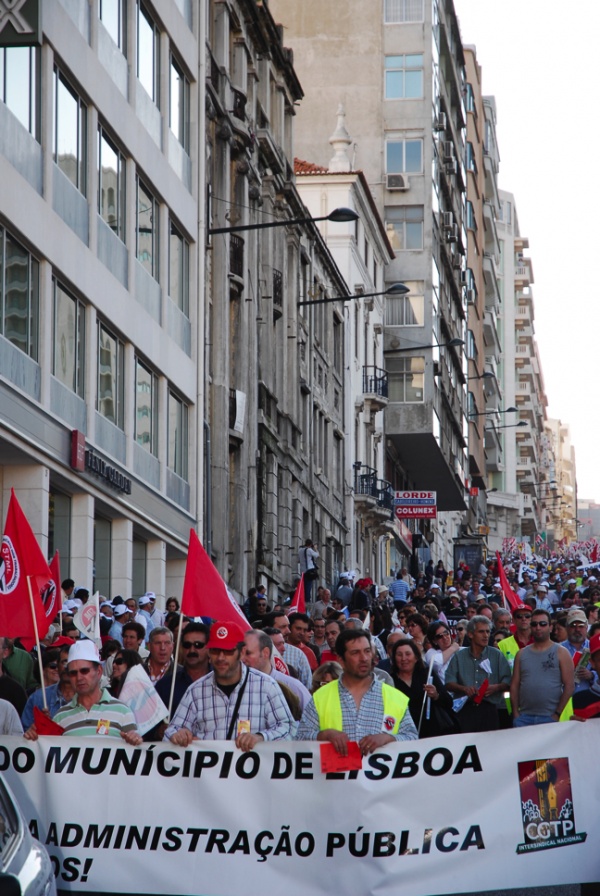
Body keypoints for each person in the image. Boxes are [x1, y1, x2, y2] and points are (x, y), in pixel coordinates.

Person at [164, 621, 294, 750]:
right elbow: (171, 731)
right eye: (215, 651)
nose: (221, 657)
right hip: (209, 770)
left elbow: (289, 730)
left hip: (251, 768)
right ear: (209, 653)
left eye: (228, 651)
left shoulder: (266, 686)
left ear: (242, 652)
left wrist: (261, 737)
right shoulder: (196, 690)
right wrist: (178, 735)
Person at [296, 628, 418, 753]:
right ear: (341, 660)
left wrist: (388, 738)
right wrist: (324, 735)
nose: (364, 658)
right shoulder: (321, 697)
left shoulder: (395, 698)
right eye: (355, 653)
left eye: (367, 651)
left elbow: (412, 739)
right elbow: (300, 739)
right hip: (336, 771)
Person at [25, 640, 142, 743]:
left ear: (99, 671)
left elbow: (135, 755)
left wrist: (135, 740)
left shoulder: (123, 711)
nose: (79, 677)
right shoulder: (60, 717)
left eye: (84, 671)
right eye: (73, 673)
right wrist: (33, 739)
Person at [445, 615, 512, 733]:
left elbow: (508, 680)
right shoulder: (459, 656)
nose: (486, 635)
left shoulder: (496, 655)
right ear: (470, 634)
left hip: (489, 710)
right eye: (481, 632)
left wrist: (496, 687)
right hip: (465, 710)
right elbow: (449, 682)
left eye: (488, 631)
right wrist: (464, 689)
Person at [510, 609, 574, 727]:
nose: (538, 627)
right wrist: (515, 713)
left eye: (542, 624)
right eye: (534, 624)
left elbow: (569, 685)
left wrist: (557, 714)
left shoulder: (561, 652)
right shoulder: (521, 654)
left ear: (550, 627)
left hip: (550, 717)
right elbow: (514, 685)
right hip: (524, 717)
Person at [389, 639, 456, 738]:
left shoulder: (426, 674)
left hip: (432, 733)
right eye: (399, 655)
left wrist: (436, 695)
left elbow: (448, 701)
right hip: (404, 734)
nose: (404, 658)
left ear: (416, 658)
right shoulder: (390, 681)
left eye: (408, 654)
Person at [242, 629, 311, 713]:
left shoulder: (293, 687)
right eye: (240, 653)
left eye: (248, 653)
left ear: (265, 653)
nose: (242, 659)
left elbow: (313, 721)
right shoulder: (236, 687)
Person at [155, 622, 211, 717]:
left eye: (198, 645)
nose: (192, 650)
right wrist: (160, 729)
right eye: (187, 645)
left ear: (208, 647)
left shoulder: (220, 683)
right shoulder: (166, 685)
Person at [21, 645, 74, 730]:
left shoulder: (87, 699)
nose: (67, 667)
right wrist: (38, 727)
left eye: (71, 663)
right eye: (64, 662)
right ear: (58, 665)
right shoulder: (38, 698)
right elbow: (24, 732)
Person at [559, 608, 594, 693]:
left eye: (581, 626)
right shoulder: (558, 649)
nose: (577, 629)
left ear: (586, 627)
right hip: (566, 700)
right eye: (573, 626)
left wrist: (592, 675)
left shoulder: (595, 647)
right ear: (567, 627)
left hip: (591, 699)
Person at [298, 539, 319, 603]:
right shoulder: (309, 550)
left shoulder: (300, 550)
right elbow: (317, 555)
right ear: (310, 544)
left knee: (304, 587)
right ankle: (307, 601)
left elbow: (298, 560)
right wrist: (315, 549)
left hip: (302, 571)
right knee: (308, 587)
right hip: (309, 571)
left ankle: (304, 599)